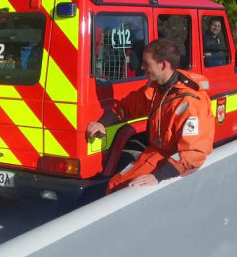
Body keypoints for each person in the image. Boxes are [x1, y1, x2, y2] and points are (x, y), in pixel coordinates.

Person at [86, 38, 215, 192]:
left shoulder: (190, 102)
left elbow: (193, 153)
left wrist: (158, 176)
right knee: (115, 185)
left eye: (147, 63)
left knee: (122, 189)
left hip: (172, 161)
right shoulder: (156, 90)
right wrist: (103, 123)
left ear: (163, 65)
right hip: (156, 154)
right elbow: (127, 106)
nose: (142, 67)